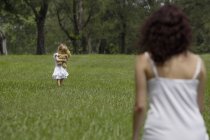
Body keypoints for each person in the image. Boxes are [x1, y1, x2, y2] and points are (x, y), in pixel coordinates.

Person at [133, 4, 209, 140]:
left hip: (158, 134)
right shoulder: (198, 64)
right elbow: (199, 108)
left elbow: (140, 106)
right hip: (195, 133)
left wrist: (135, 136)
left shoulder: (144, 61)